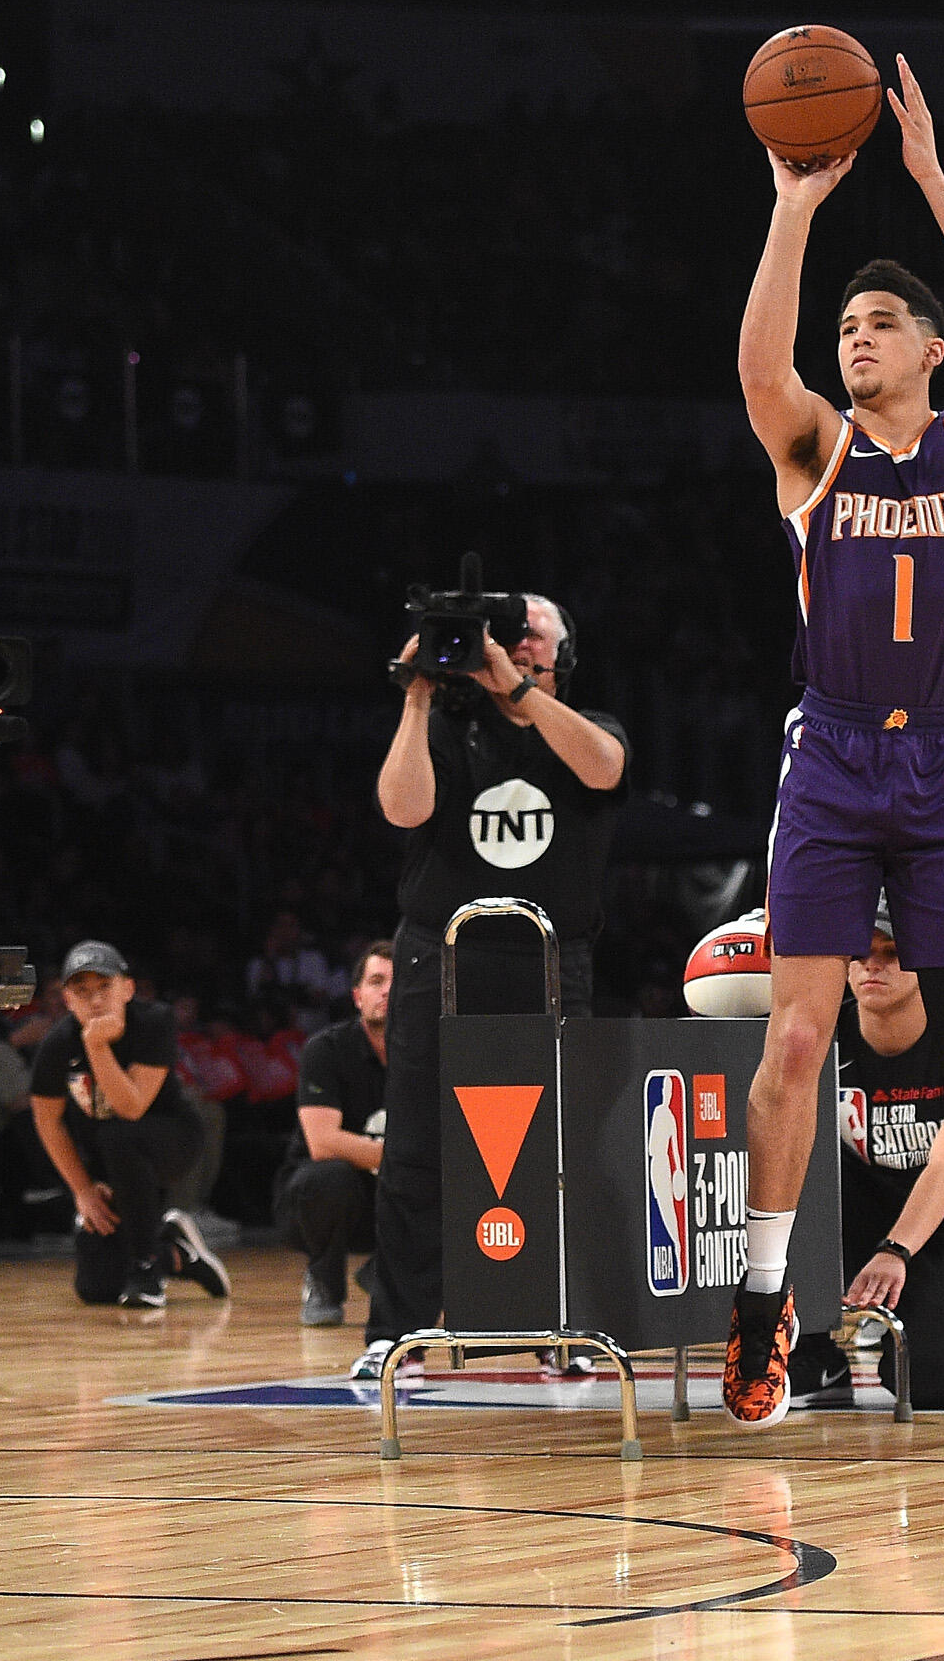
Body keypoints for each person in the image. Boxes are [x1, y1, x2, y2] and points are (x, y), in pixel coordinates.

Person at [730, 52, 944, 1440]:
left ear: (928, 349)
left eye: (878, 325)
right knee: (796, 1040)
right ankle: (758, 1304)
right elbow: (756, 364)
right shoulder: (815, 451)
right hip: (834, 761)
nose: (854, 340)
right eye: (845, 326)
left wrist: (926, 174)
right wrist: (792, 209)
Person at [365, 591, 627, 1380]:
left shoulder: (592, 728)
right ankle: (395, 1331)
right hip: (439, 960)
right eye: (504, 642)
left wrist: (517, 691)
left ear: (562, 658)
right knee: (414, 1146)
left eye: (531, 642)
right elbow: (401, 807)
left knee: (554, 1151)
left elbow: (604, 769)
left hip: (547, 962)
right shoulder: (449, 728)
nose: (513, 651)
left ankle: (556, 1324)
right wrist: (417, 696)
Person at [795, 908, 944, 1412]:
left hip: (939, 1224)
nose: (871, 967)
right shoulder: (817, 1034)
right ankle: (813, 1351)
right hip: (849, 1212)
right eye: (861, 954)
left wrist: (895, 1250)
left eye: (892, 954)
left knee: (931, 1384)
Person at [28, 940, 231, 1309]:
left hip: (172, 1140)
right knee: (97, 1288)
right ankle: (177, 1253)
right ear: (67, 999)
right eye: (81, 991)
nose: (95, 1000)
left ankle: (147, 1267)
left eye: (105, 987)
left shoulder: (154, 1022)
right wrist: (84, 1190)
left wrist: (96, 1047)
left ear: (128, 988)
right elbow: (47, 1121)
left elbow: (131, 1107)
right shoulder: (56, 1045)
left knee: (118, 1133)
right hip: (111, 1162)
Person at [276, 940, 391, 1327]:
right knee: (329, 1175)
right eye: (377, 981)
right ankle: (324, 1283)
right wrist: (406, 1158)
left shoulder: (431, 1055)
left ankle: (390, 1274)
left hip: (394, 1202)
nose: (388, 990)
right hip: (319, 1203)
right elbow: (323, 1143)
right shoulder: (326, 1050)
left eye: (397, 983)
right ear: (357, 996)